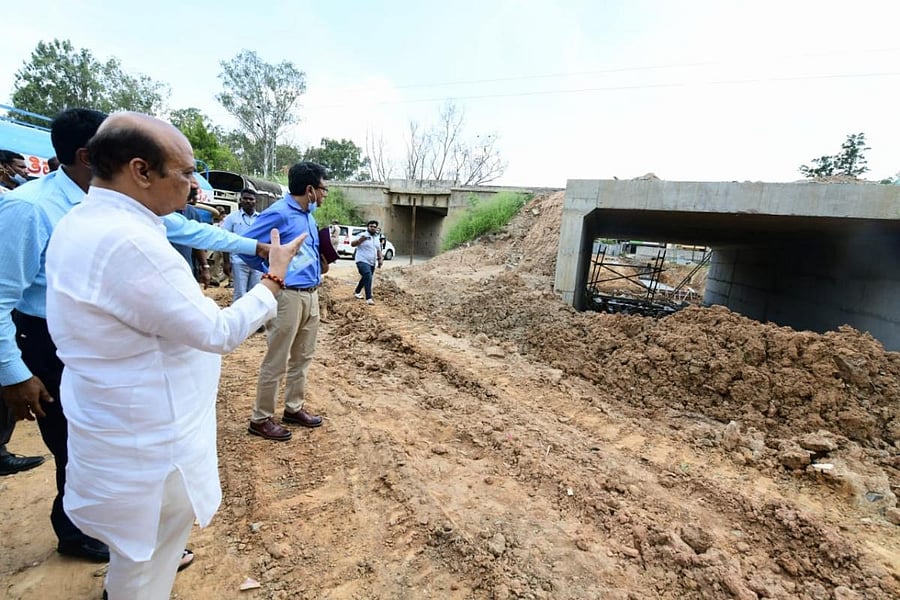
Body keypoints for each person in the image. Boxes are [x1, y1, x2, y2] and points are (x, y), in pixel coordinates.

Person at [45, 111, 304, 600]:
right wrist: (273, 279)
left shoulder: (84, 219)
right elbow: (217, 330)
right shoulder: (130, 243)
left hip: (119, 426)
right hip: (152, 446)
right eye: (185, 173)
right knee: (146, 570)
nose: (194, 185)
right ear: (141, 171)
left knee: (136, 558)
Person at [0, 107, 269, 564]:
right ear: (126, 165)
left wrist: (255, 246)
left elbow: (183, 226)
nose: (192, 184)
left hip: (97, 335)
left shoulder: (115, 210)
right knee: (76, 444)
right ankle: (90, 537)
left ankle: (125, 541)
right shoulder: (34, 209)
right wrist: (13, 371)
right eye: (185, 172)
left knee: (95, 443)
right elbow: (3, 294)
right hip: (45, 337)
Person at [239, 161, 329, 441]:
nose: (326, 194)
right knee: (277, 359)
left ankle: (293, 408)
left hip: (311, 295)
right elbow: (244, 245)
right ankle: (261, 418)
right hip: (287, 296)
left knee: (303, 357)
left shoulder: (308, 215)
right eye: (324, 188)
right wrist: (271, 271)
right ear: (310, 189)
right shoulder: (278, 213)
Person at [222, 189, 262, 302]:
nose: (248, 201)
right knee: (240, 294)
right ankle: (239, 319)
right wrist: (226, 262)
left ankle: (253, 318)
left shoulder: (261, 218)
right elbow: (226, 240)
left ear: (256, 201)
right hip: (238, 261)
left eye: (251, 199)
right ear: (240, 200)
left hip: (257, 263)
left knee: (255, 293)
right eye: (245, 198)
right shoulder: (232, 218)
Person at [352, 220, 384, 305]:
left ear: (376, 228)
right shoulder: (362, 235)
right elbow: (352, 244)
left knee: (366, 277)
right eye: (371, 226)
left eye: (374, 227)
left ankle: (357, 292)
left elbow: (378, 249)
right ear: (368, 227)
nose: (372, 228)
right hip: (361, 260)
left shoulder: (376, 238)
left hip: (372, 262)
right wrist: (360, 240)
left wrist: (380, 259)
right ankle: (369, 298)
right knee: (367, 275)